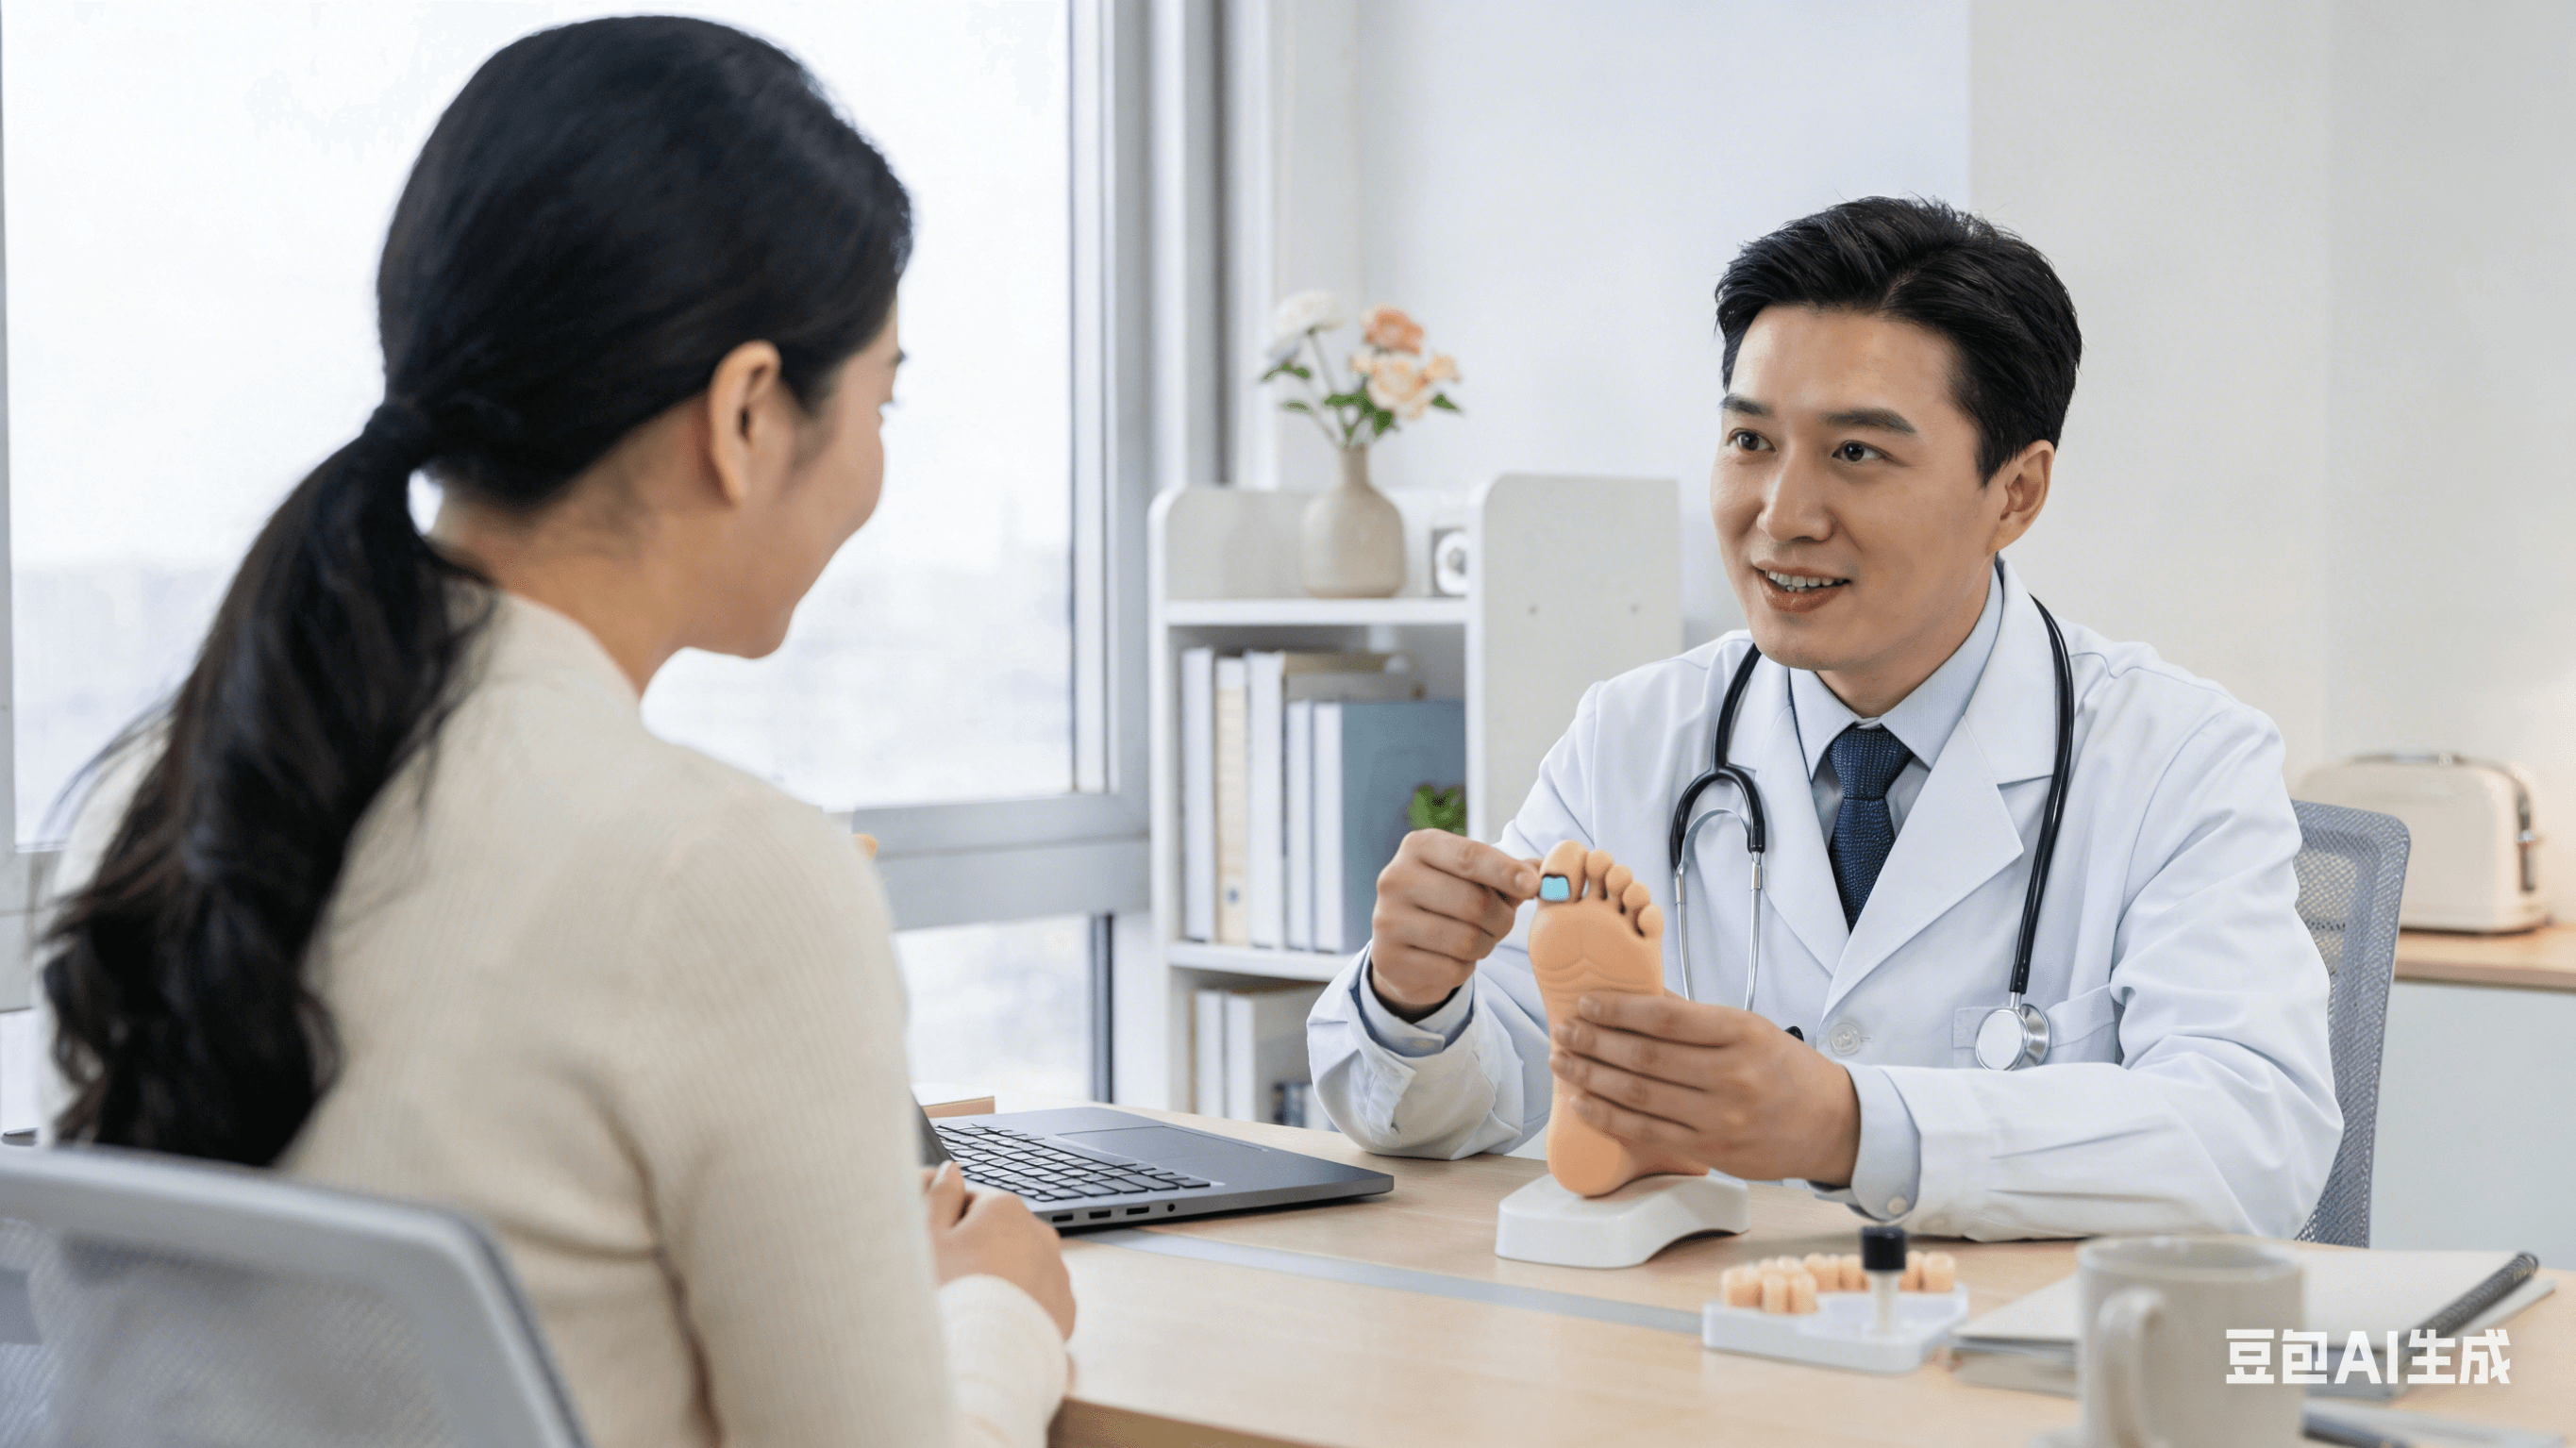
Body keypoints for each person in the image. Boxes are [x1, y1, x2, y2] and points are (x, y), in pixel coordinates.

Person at [35, 18, 1071, 1447]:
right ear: (749, 412)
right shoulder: (721, 873)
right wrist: (996, 1314)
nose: (878, 461)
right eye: (880, 396)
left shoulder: (167, 803)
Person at [1308, 197, 2342, 1242]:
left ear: (2016, 492)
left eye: (1856, 454)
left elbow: (2254, 1141)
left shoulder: (2181, 758)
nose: (1783, 512)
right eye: (1750, 439)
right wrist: (1414, 999)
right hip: (1688, 1362)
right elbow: (1467, 1097)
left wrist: (1850, 1125)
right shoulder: (1634, 735)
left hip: (2014, 1374)